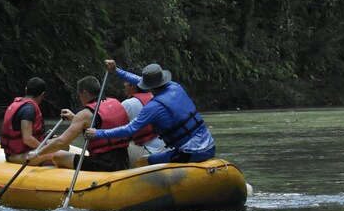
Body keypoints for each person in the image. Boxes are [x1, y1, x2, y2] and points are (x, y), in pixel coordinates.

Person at [85, 60, 215, 166]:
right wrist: (117, 71)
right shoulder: (176, 86)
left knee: (142, 162)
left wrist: (98, 133)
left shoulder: (154, 107)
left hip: (190, 153)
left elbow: (129, 130)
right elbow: (138, 79)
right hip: (210, 146)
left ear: (148, 86)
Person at [27, 75, 130, 171]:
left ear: (85, 93)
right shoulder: (115, 103)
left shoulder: (85, 114)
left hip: (103, 165)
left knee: (58, 156)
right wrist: (74, 117)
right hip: (123, 161)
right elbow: (101, 122)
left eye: (79, 94)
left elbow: (61, 142)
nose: (79, 98)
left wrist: (37, 153)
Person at [112, 62, 168, 165]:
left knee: (115, 146)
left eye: (125, 83)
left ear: (132, 86)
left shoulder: (127, 104)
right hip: (168, 148)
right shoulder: (156, 97)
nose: (124, 86)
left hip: (151, 151)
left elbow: (109, 125)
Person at [0, 77, 56, 166]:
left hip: (19, 151)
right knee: (61, 154)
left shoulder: (18, 104)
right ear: (42, 94)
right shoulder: (28, 110)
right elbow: (27, 139)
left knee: (60, 143)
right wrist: (44, 149)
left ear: (26, 90)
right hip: (18, 155)